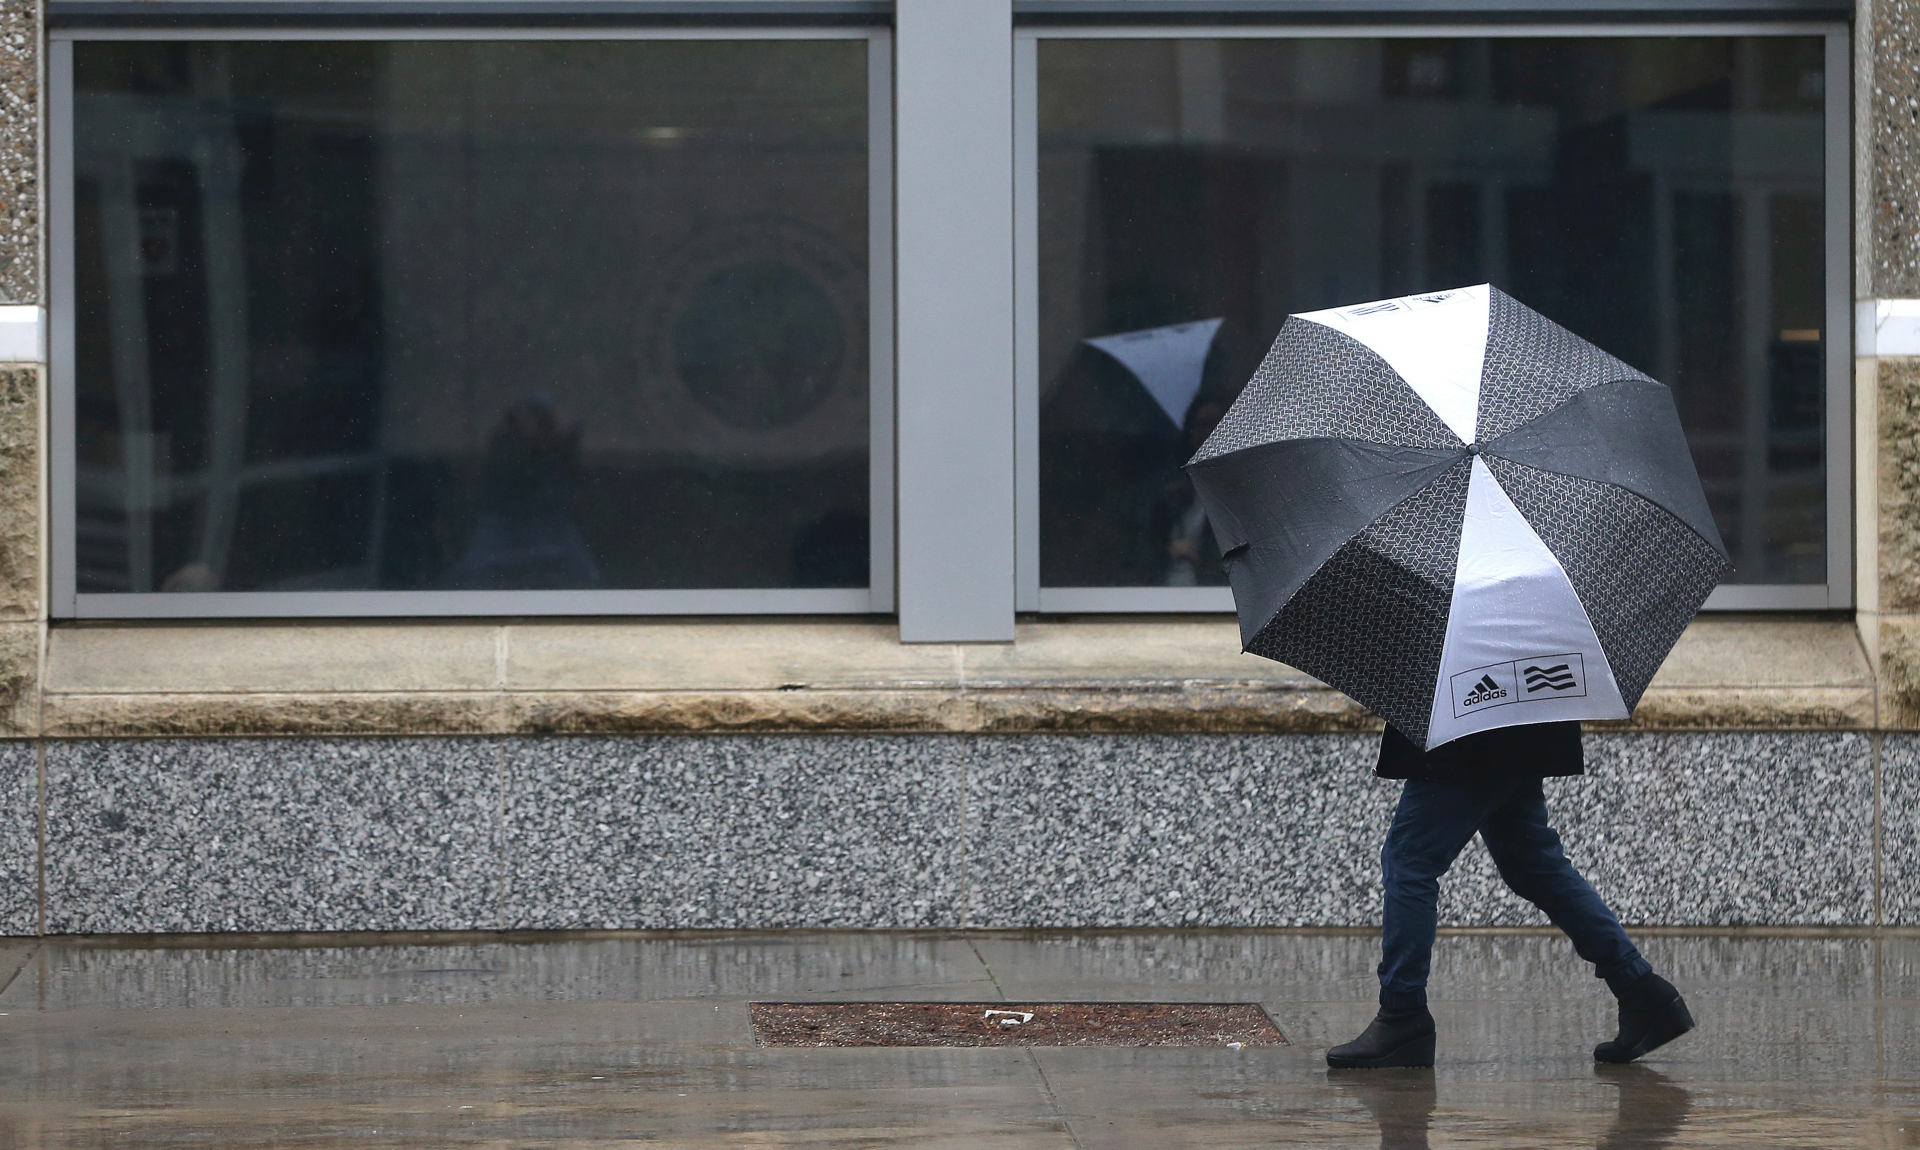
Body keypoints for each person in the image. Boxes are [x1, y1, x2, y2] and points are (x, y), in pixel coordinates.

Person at [1327, 721, 1695, 1069]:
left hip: (1472, 726)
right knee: (1531, 861)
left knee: (1409, 862)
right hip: (1517, 719)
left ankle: (1402, 1014)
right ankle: (1642, 992)